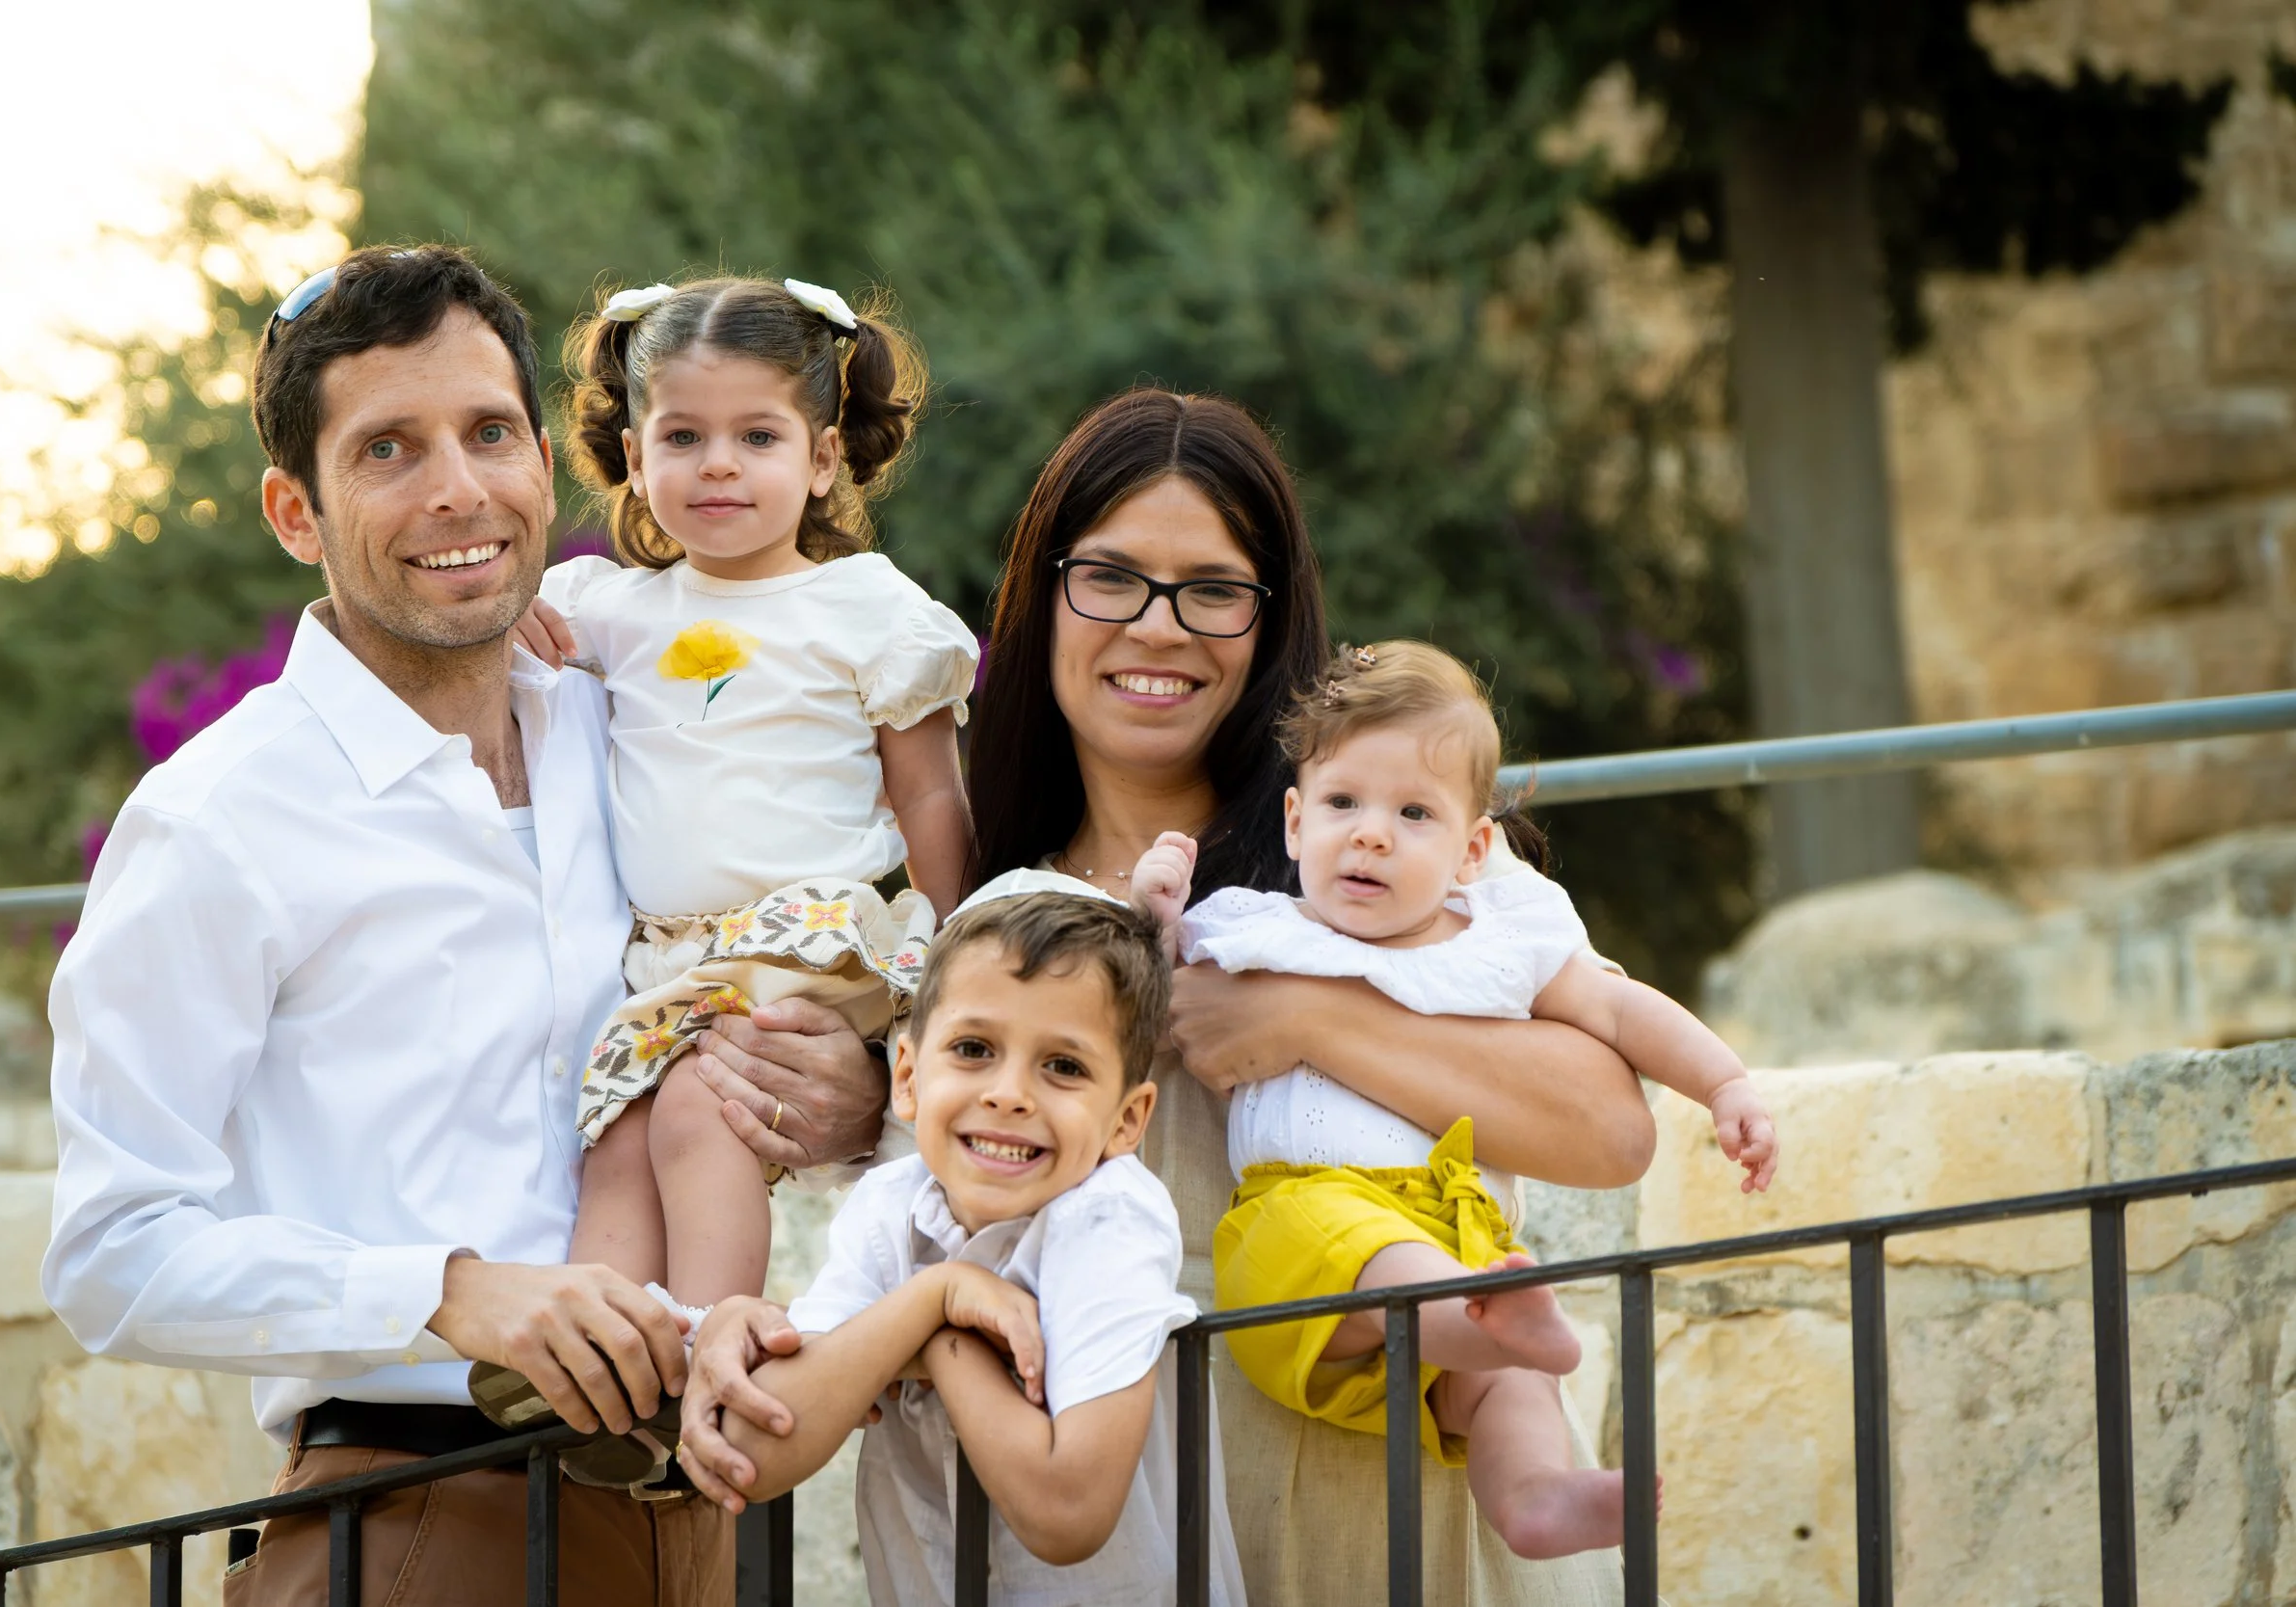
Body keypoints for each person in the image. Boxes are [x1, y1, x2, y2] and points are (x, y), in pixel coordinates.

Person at [681, 388, 1655, 1606]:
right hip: (1085, 1537)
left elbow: (1609, 1128)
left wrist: (1307, 1017)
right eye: (1110, 578)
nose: (1158, 626)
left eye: (1212, 590)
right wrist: (870, 1099)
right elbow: (919, 1211)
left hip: (1357, 1504)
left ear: (1270, 618)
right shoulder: (979, 905)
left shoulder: (1390, 855)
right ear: (1042, 598)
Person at [39, 245, 734, 1605]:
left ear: (544, 460)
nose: (457, 489)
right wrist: (452, 1290)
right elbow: (108, 1253)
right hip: (414, 1518)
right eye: (387, 450)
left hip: (690, 1508)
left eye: (489, 433)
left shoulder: (626, 731)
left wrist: (830, 1087)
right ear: (295, 511)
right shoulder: (215, 818)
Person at [1134, 640, 1777, 1560]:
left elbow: (1618, 1008)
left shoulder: (1499, 941)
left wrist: (1723, 1082)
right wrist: (1156, 913)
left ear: (1473, 849)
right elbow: (1151, 1007)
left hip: (1459, 1229)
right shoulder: (1254, 928)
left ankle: (1535, 1496)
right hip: (1298, 1226)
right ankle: (1473, 1315)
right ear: (1294, 822)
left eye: (1413, 813)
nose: (1371, 834)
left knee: (1512, 1386)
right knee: (1371, 1250)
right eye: (1343, 803)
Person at [485, 276, 974, 1459]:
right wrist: (508, 621)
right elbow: (490, 630)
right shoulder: (606, 609)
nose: (717, 465)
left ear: (821, 458)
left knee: (705, 1111)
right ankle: (603, 1363)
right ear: (634, 455)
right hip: (676, 960)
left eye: (757, 437)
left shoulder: (864, 606)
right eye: (682, 437)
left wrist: (957, 950)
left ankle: (714, 1348)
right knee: (618, 1131)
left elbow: (928, 792)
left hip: (812, 936)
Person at [720, 885, 1245, 1605]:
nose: (1009, 1093)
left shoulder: (1110, 1218)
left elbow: (1067, 1512)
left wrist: (938, 1337)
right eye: (973, 1049)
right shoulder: (890, 1204)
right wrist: (942, 1293)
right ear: (908, 1077)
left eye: (1064, 1066)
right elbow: (753, 1449)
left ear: (1127, 1120)